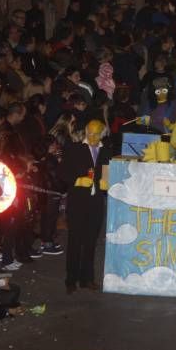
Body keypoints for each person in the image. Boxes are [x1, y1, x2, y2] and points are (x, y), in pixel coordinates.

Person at [58, 119, 114, 294]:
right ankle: (71, 280)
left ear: (102, 134)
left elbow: (106, 171)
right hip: (77, 201)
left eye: (96, 134)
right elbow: (62, 173)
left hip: (96, 202)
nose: (91, 136)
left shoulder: (106, 151)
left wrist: (106, 183)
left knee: (91, 241)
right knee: (75, 241)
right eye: (89, 132)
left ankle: (87, 278)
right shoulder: (75, 149)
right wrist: (77, 180)